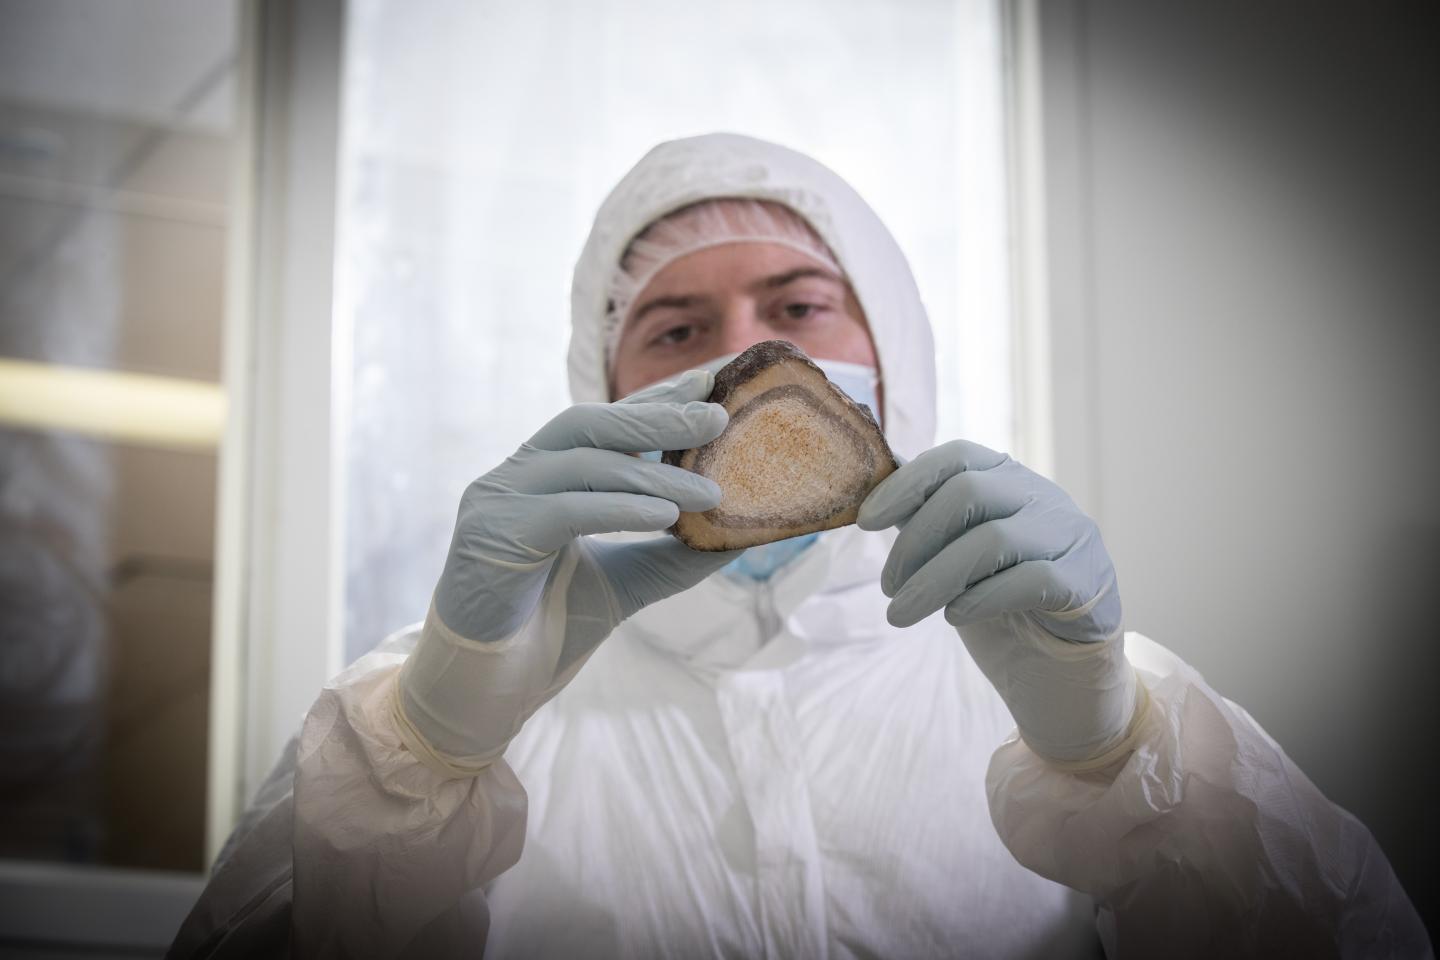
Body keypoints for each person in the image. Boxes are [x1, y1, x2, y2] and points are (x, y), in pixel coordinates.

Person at [169, 133, 1429, 959]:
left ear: (895, 361)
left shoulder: (1089, 681)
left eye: (799, 309)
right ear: (603, 389)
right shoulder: (439, 698)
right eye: (673, 328)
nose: (743, 360)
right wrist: (434, 740)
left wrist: (1109, 752)